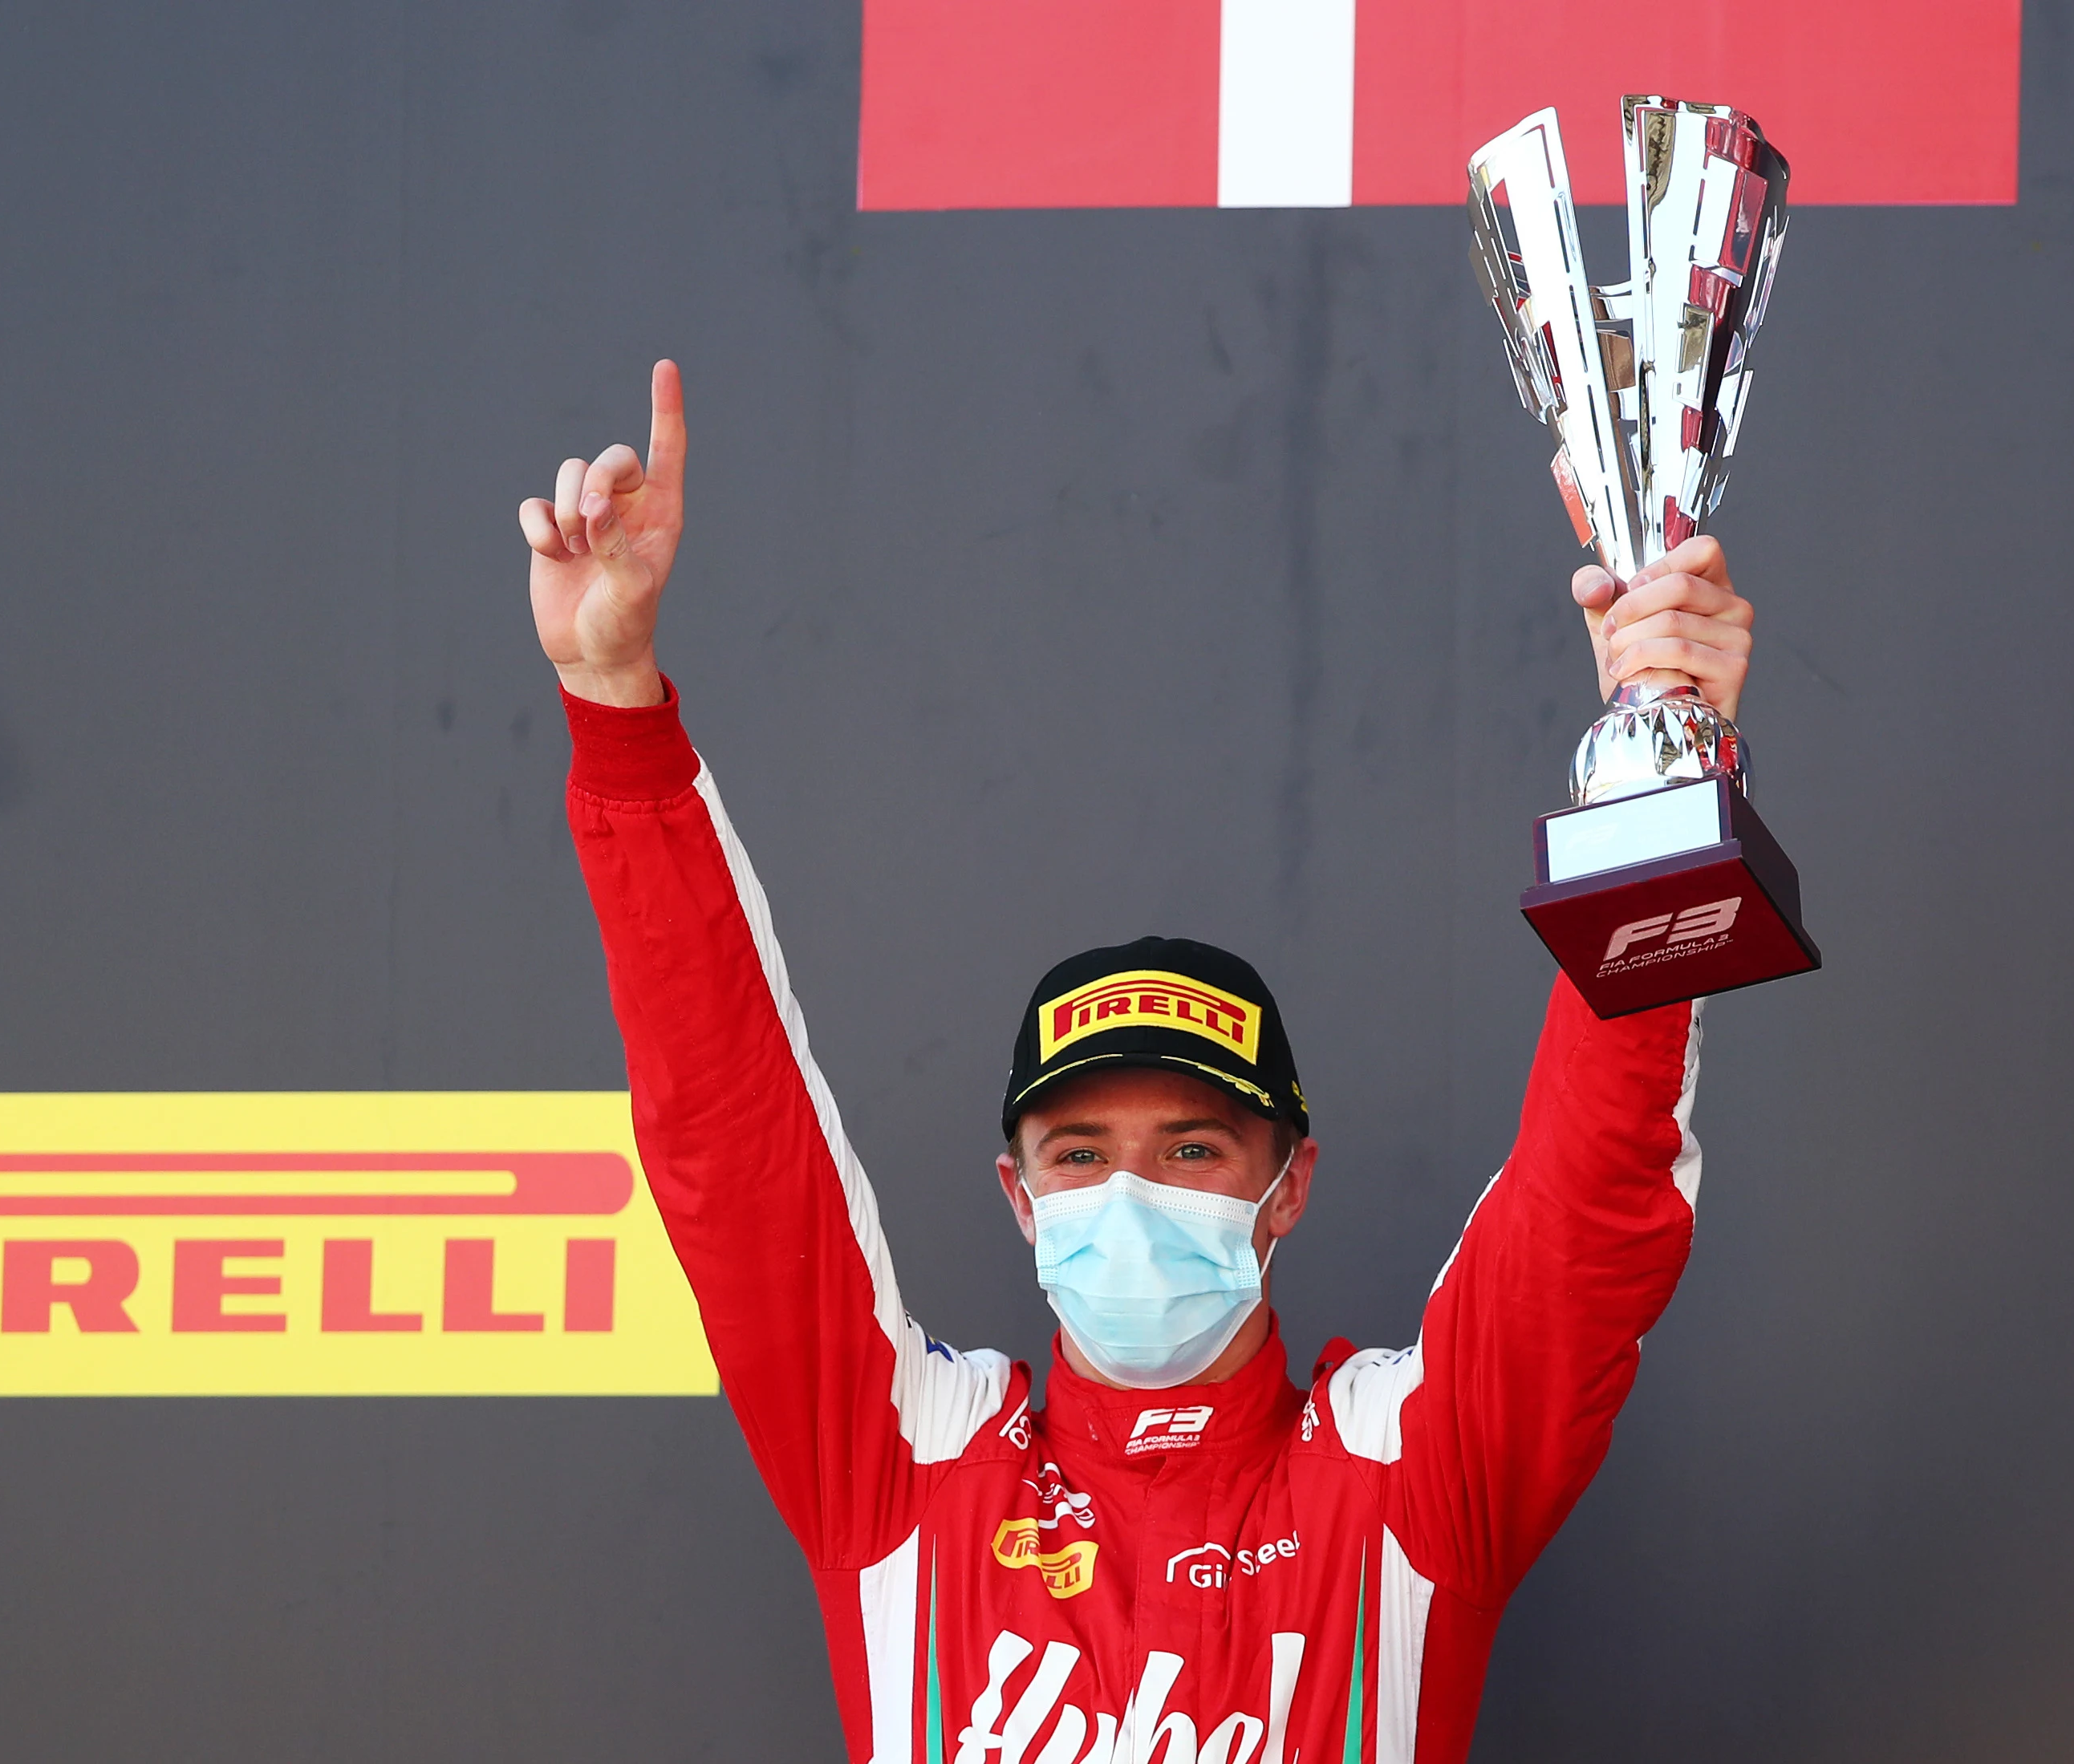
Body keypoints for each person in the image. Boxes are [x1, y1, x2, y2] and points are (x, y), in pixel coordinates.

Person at [521, 361, 1758, 1764]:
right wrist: (616, 709)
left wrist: (1660, 773)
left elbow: (1591, 1200)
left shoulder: (1404, 1475)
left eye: (1189, 1149)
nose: (1129, 1191)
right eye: (1079, 1154)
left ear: (1286, 1187)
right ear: (1017, 1194)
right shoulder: (907, 1467)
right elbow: (728, 1145)